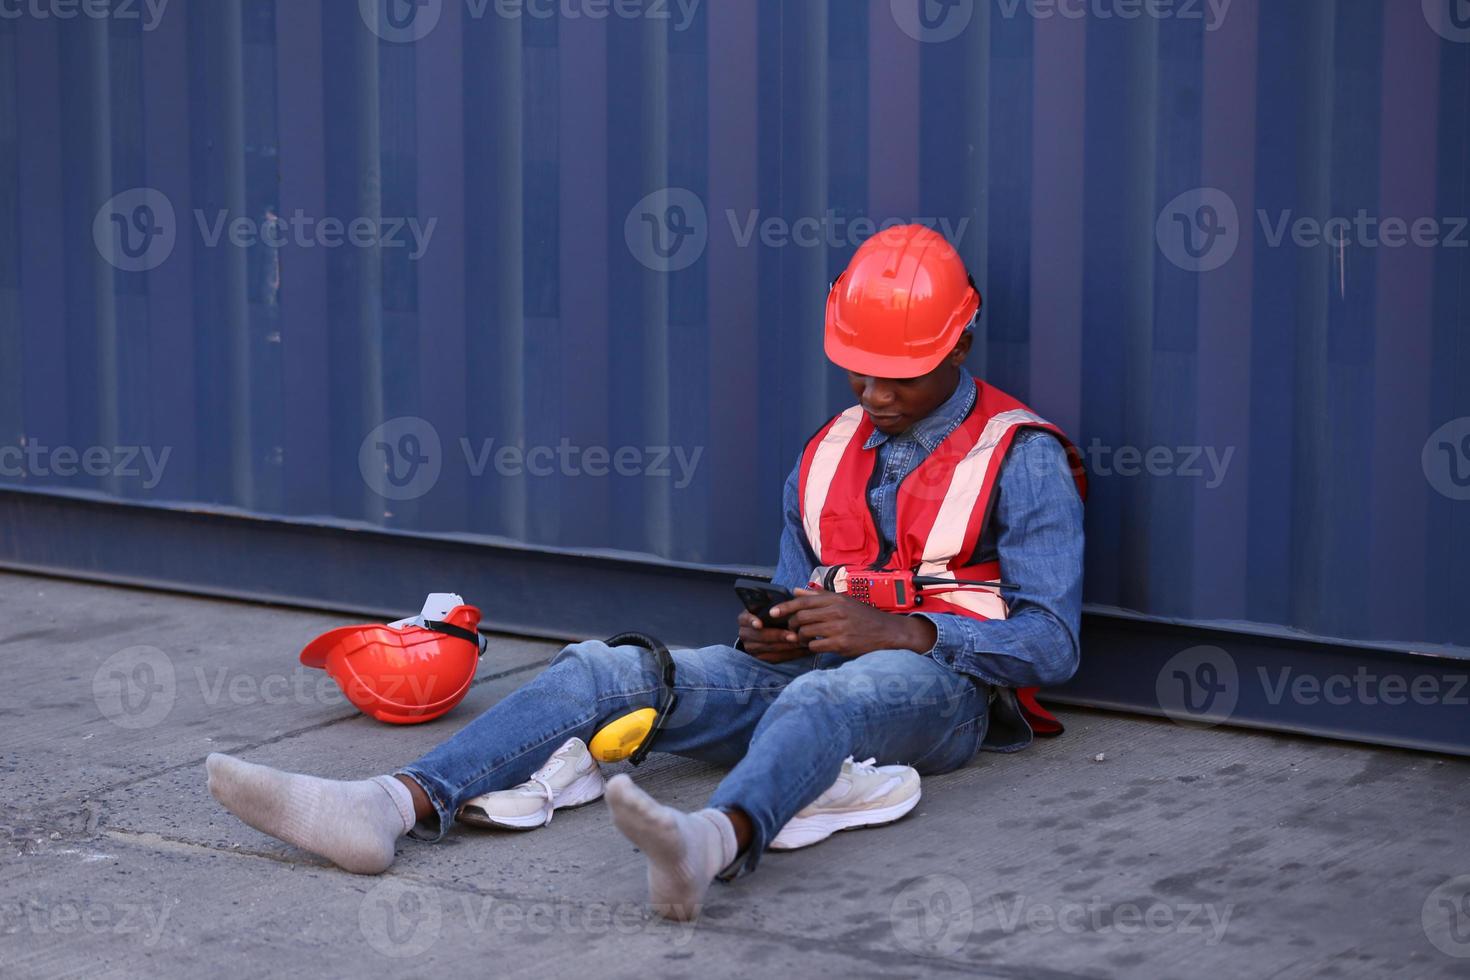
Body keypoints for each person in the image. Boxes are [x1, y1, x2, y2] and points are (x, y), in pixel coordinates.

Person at [205, 224, 1086, 922]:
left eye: (904, 375)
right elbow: (795, 593)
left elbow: (1052, 646)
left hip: (942, 697)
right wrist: (774, 635)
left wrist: (908, 632)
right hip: (815, 680)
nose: (876, 394)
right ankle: (387, 806)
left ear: (962, 342)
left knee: (831, 699)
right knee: (607, 667)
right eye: (860, 371)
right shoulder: (825, 453)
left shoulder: (1022, 455)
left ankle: (713, 840)